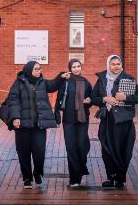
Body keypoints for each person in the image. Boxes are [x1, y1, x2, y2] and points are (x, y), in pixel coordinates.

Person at [7, 61, 70, 189]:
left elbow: (52, 85)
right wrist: (15, 117)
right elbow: (13, 100)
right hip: (22, 125)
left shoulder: (42, 82)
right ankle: (27, 178)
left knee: (39, 152)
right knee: (23, 152)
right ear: (29, 70)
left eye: (40, 69)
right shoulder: (19, 82)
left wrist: (61, 77)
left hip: (38, 125)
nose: (39, 71)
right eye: (36, 69)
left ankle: (37, 173)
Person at [91, 54, 138, 189]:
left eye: (118, 64)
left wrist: (125, 97)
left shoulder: (128, 79)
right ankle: (111, 177)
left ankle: (120, 178)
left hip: (123, 120)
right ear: (108, 65)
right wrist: (104, 99)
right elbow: (93, 97)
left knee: (121, 149)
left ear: (121, 65)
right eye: (113, 64)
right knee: (106, 148)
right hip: (107, 119)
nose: (115, 66)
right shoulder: (102, 79)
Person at [57, 58, 93, 187]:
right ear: (70, 69)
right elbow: (59, 98)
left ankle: (81, 167)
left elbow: (91, 99)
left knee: (82, 146)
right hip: (69, 120)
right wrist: (57, 115)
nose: (76, 69)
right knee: (71, 147)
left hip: (83, 119)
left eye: (78, 66)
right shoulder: (65, 82)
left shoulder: (86, 82)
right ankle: (75, 178)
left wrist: (90, 101)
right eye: (74, 67)